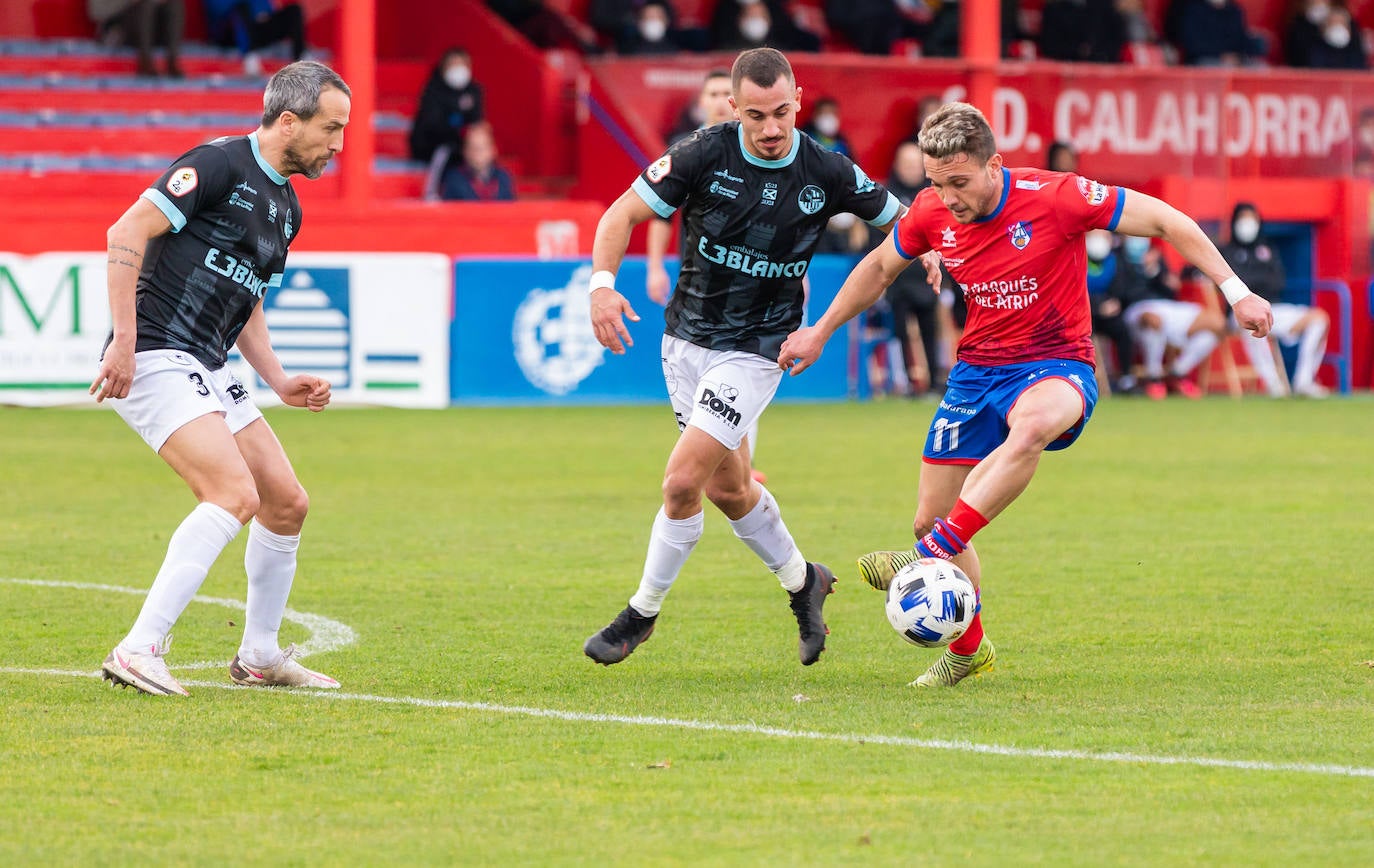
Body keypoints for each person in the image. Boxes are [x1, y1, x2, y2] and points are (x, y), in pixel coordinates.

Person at [777, 102, 1273, 687]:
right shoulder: (932, 212)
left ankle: (929, 557)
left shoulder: (1055, 196)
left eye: (960, 182)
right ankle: (968, 648)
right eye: (938, 184)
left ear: (995, 164)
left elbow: (1165, 219)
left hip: (1057, 363)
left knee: (1033, 426)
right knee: (930, 517)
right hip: (975, 373)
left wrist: (1235, 291)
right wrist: (819, 331)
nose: (949, 198)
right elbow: (880, 267)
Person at [583, 48, 904, 668]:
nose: (771, 127)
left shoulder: (828, 171)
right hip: (684, 341)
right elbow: (622, 213)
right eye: (756, 115)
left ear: (798, 100)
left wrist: (936, 247)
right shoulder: (703, 153)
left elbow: (903, 219)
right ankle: (802, 582)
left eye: (781, 112)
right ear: (735, 108)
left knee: (682, 483)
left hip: (758, 349)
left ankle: (640, 613)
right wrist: (601, 285)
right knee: (730, 489)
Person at [91, 61, 350, 697]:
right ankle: (139, 648)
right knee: (233, 493)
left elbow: (247, 298)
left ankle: (259, 655)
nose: (338, 145)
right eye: (331, 128)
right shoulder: (216, 165)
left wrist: (280, 379)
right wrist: (123, 343)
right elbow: (126, 230)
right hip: (153, 351)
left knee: (286, 502)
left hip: (208, 361)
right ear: (288, 121)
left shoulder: (287, 208)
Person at [1218, 203, 1331, 397]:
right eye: (1243, 218)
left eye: (1251, 218)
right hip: (1238, 313)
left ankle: (1304, 382)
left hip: (1272, 308)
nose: (1247, 223)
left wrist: (1249, 280)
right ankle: (1274, 385)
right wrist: (1257, 280)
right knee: (1252, 321)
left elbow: (1277, 282)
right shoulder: (1225, 252)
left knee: (1319, 318)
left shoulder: (1267, 249)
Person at [408, 47, 484, 165]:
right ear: (443, 68)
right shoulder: (432, 90)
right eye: (453, 65)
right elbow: (431, 125)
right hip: (431, 147)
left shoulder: (474, 91)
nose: (458, 69)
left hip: (463, 147)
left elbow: (476, 121)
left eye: (461, 65)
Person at [205, 0, 307, 75]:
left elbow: (267, 9)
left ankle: (300, 57)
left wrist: (262, 12)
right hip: (228, 33)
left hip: (255, 29)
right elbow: (217, 10)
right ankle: (249, 57)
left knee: (294, 10)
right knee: (240, 9)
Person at [89, 0, 185, 78]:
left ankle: (173, 60)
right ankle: (145, 61)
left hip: (153, 29)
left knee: (174, 3)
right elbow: (97, 12)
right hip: (121, 28)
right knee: (146, 5)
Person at [439, 121, 516, 201]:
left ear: (493, 150)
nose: (477, 153)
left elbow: (512, 210)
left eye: (482, 147)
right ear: (465, 151)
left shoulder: (503, 178)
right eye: (473, 147)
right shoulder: (454, 180)